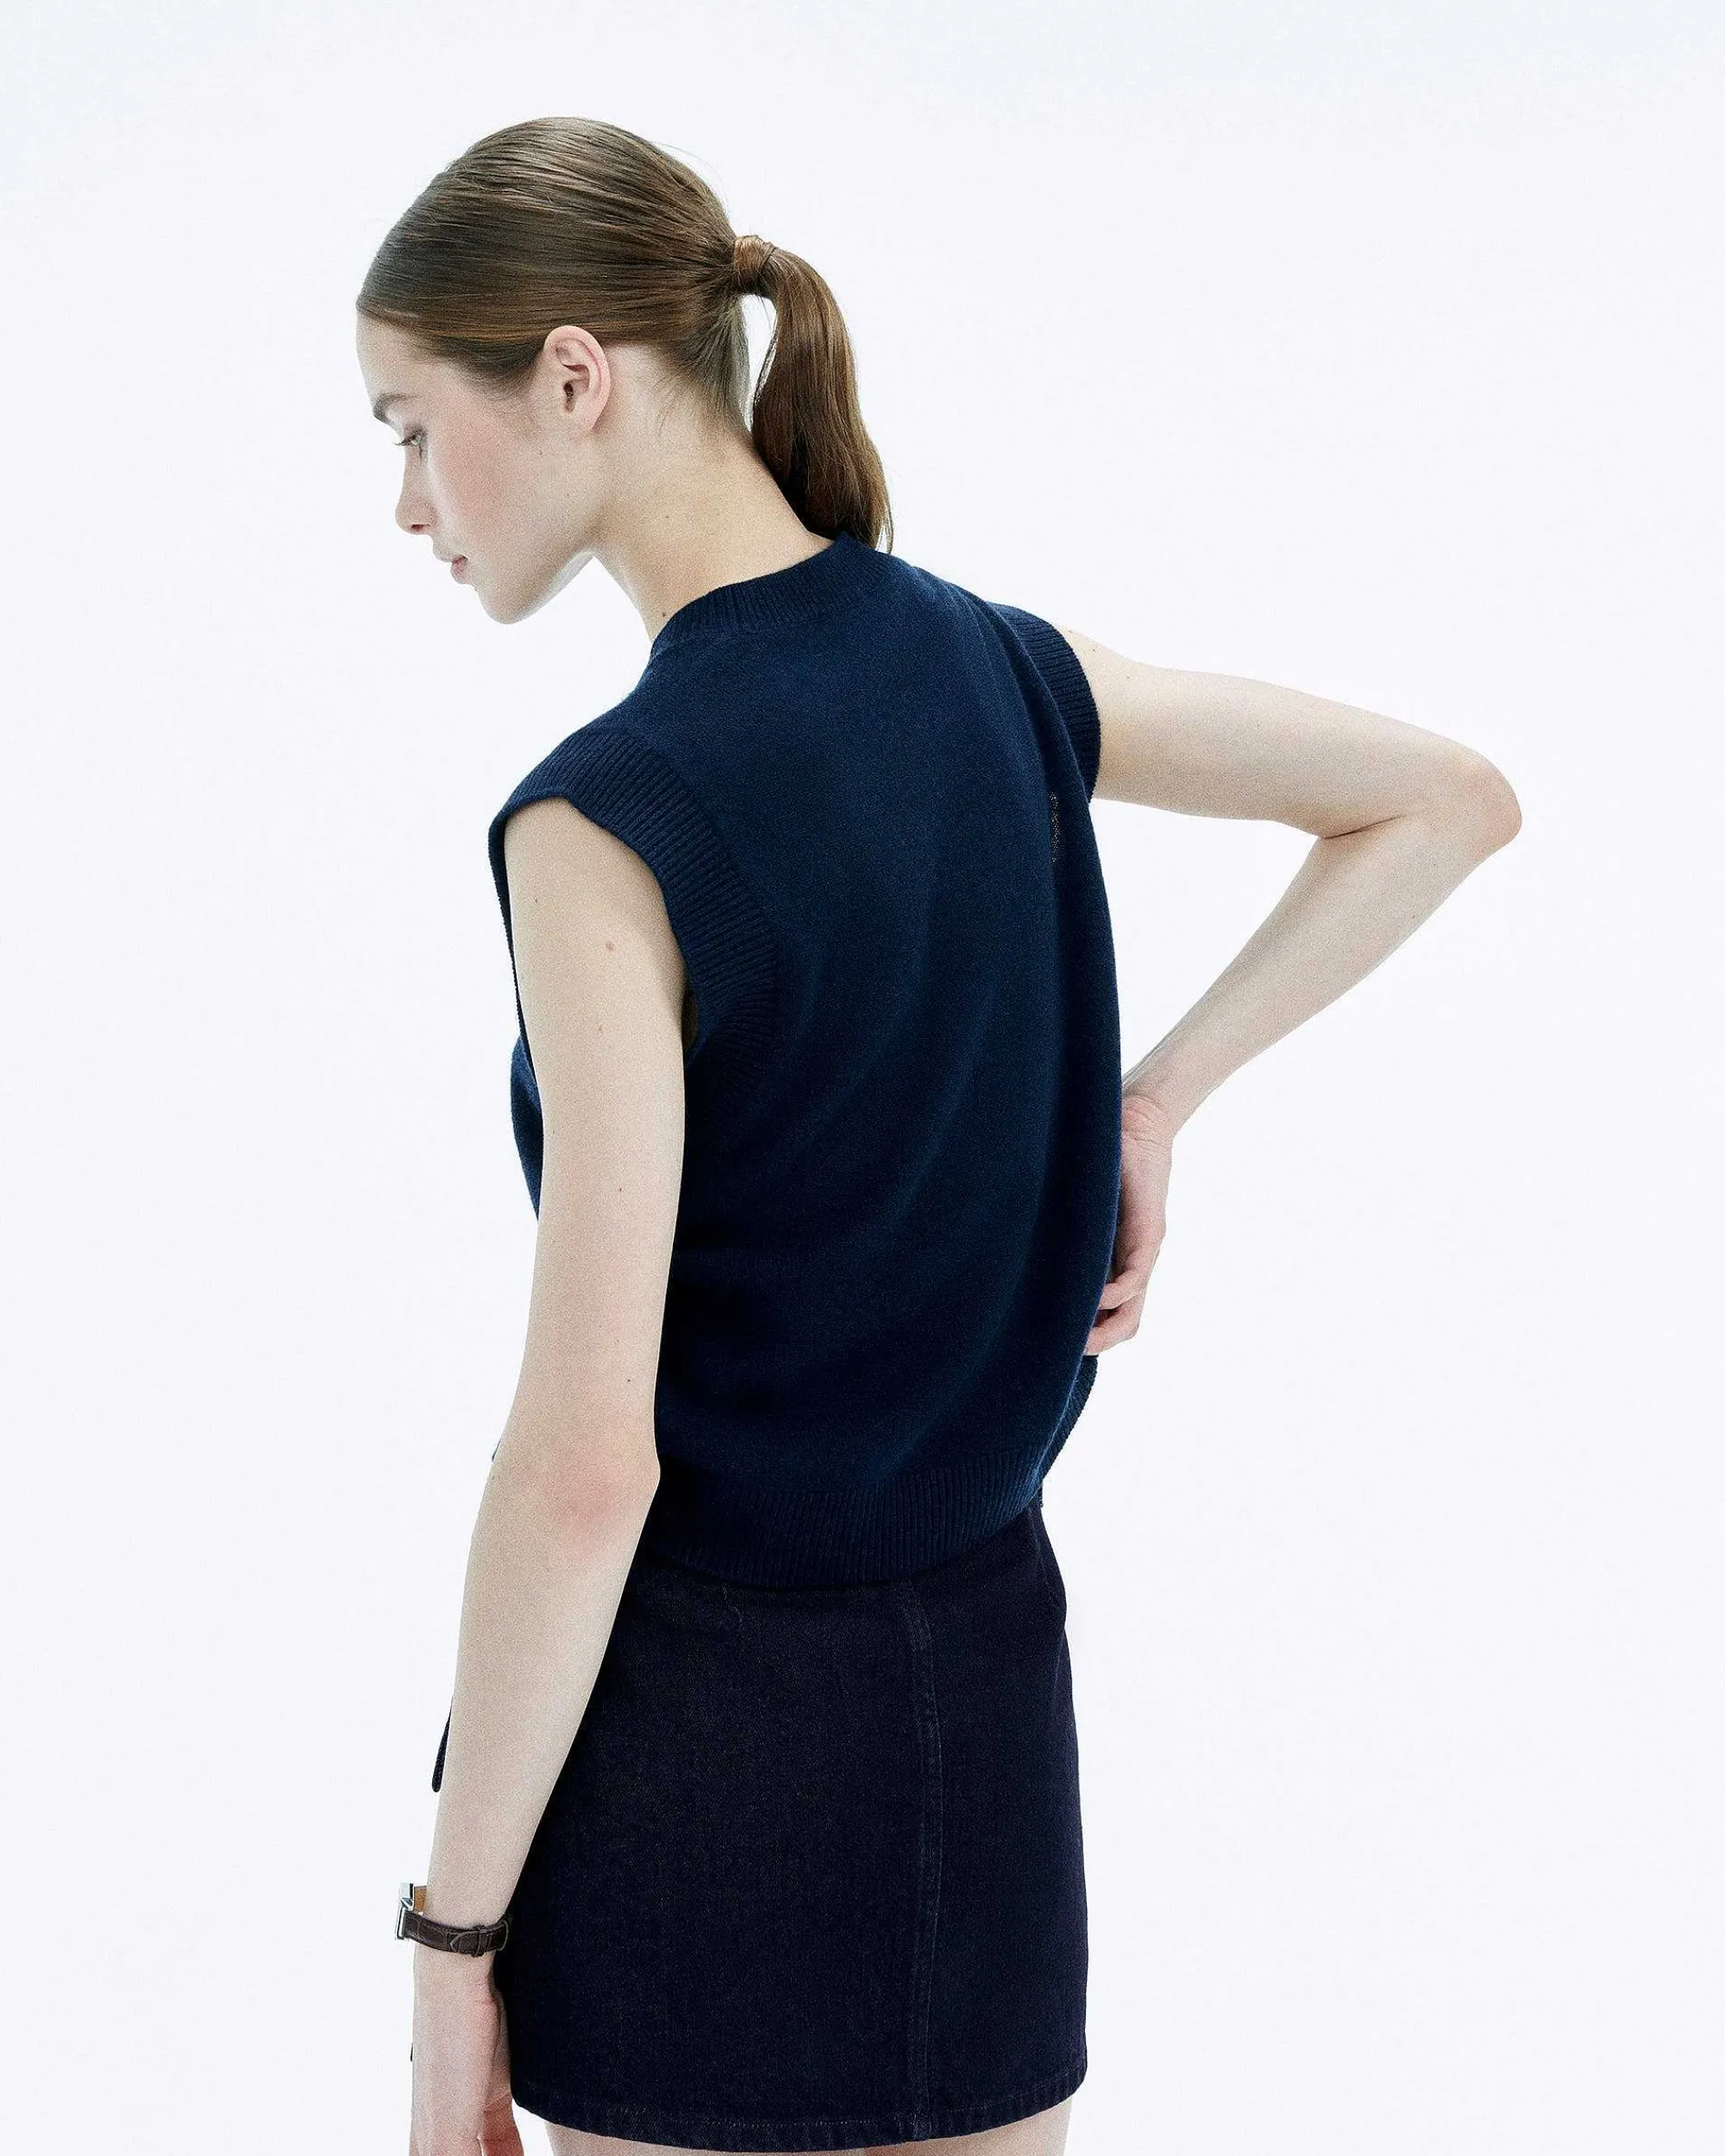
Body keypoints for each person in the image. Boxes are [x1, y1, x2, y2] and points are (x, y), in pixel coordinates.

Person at [356, 116, 1521, 2156]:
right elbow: (1442, 797)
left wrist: (451, 1943)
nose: (405, 503)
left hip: (693, 1771)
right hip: (981, 1726)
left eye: (408, 429)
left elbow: (584, 1467)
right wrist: (1154, 1092)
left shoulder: (604, 822)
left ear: (570, 375)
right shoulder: (1001, 673)